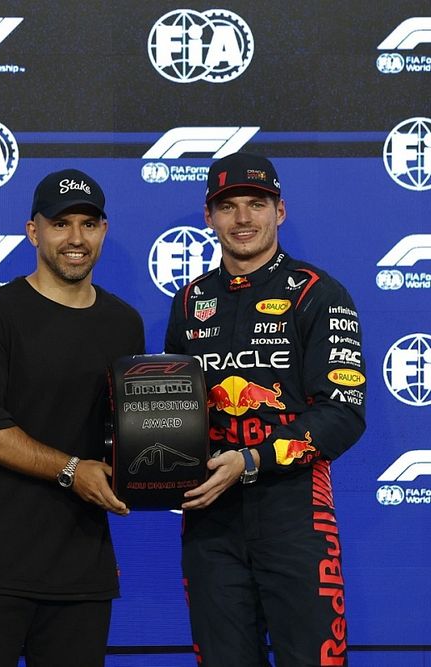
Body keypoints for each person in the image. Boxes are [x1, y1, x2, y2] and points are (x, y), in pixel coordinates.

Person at [164, 153, 366, 666]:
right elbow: (173, 409)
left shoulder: (319, 293)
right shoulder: (190, 301)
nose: (243, 219)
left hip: (294, 512)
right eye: (228, 206)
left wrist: (253, 461)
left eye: (257, 204)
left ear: (280, 211)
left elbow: (343, 413)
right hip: (210, 518)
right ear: (208, 218)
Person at [0, 168, 145, 666]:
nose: (76, 238)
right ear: (34, 231)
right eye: (61, 224)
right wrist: (73, 471)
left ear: (104, 231)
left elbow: (131, 435)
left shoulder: (124, 324)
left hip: (82, 569)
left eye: (89, 224)